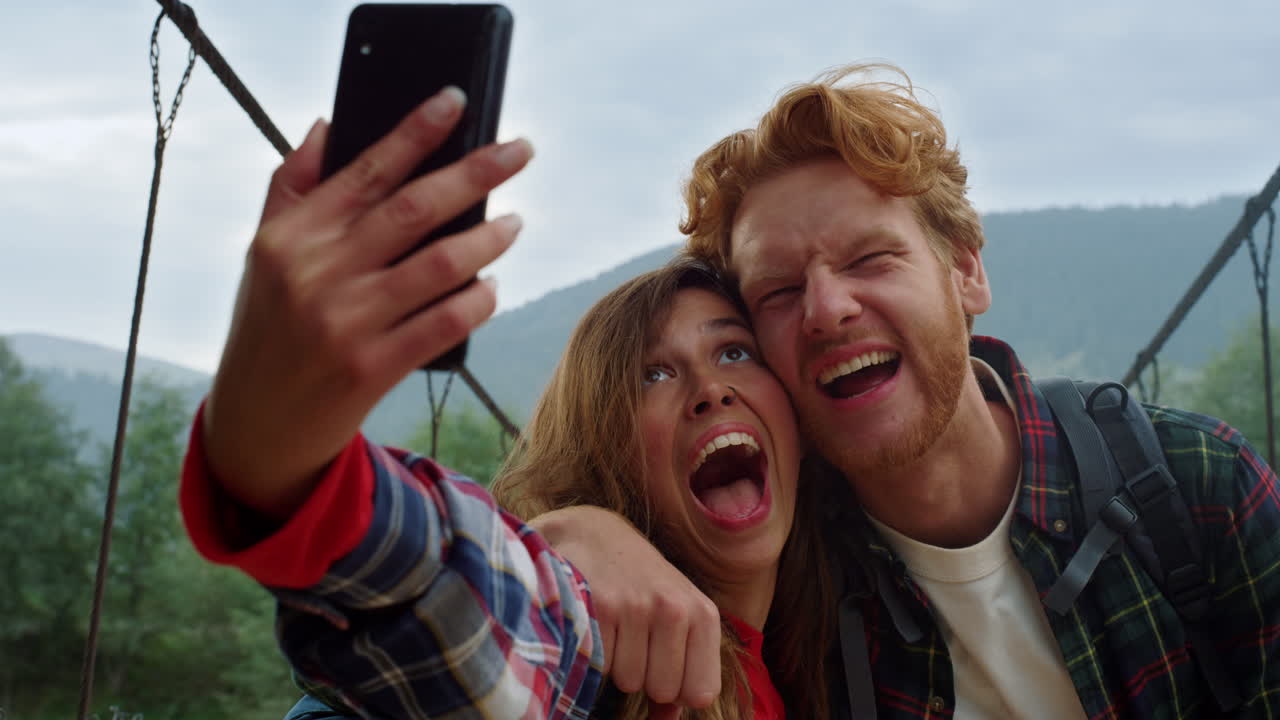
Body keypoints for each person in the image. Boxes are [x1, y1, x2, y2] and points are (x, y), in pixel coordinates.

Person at [536, 63, 1280, 718]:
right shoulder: (791, 571)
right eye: (780, 290)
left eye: (869, 258)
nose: (828, 309)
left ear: (966, 272)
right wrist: (569, 540)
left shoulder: (1193, 486)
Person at [179, 84, 834, 719]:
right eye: (652, 376)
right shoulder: (595, 646)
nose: (709, 390)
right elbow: (465, 607)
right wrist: (276, 454)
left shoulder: (836, 635)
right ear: (610, 456)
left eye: (734, 353)